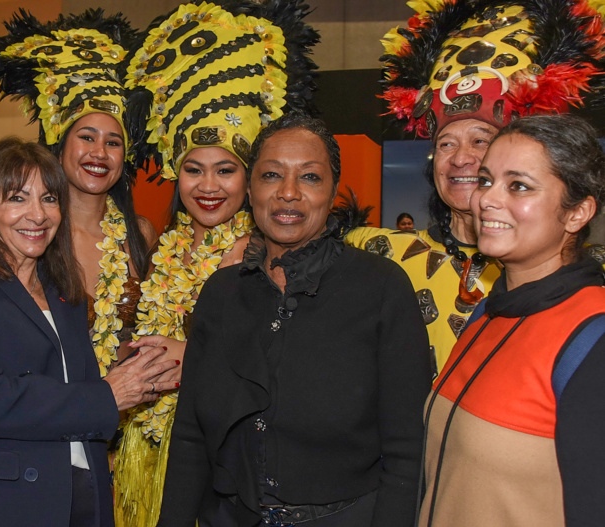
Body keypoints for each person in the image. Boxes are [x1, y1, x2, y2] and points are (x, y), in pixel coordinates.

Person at [158, 112, 431, 527]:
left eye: (309, 178)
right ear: (250, 190)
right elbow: (191, 434)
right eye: (271, 176)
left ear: (333, 190)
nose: (288, 194)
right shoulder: (221, 293)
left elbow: (407, 449)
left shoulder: (381, 287)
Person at [112, 3, 320, 525]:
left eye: (225, 170)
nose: (208, 187)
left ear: (250, 180)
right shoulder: (164, 244)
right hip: (145, 441)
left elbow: (284, 361)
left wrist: (193, 354)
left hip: (218, 455)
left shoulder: (259, 251)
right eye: (193, 170)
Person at [0, 137, 179, 526]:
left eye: (50, 199)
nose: (37, 215)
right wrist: (109, 394)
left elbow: (79, 389)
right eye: (17, 198)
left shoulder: (64, 291)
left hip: (76, 495)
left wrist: (143, 374)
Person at [344, 0, 605, 376]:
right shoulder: (381, 251)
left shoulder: (576, 274)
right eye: (446, 143)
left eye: (481, 141)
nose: (460, 158)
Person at [420, 114, 605, 526]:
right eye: (486, 181)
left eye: (518, 186)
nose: (486, 199)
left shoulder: (591, 338)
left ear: (577, 213)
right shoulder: (487, 313)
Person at [0, 9, 155, 376]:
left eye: (113, 143)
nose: (99, 153)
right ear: (60, 148)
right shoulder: (33, 233)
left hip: (132, 417)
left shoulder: (143, 234)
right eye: (86, 137)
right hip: (51, 407)